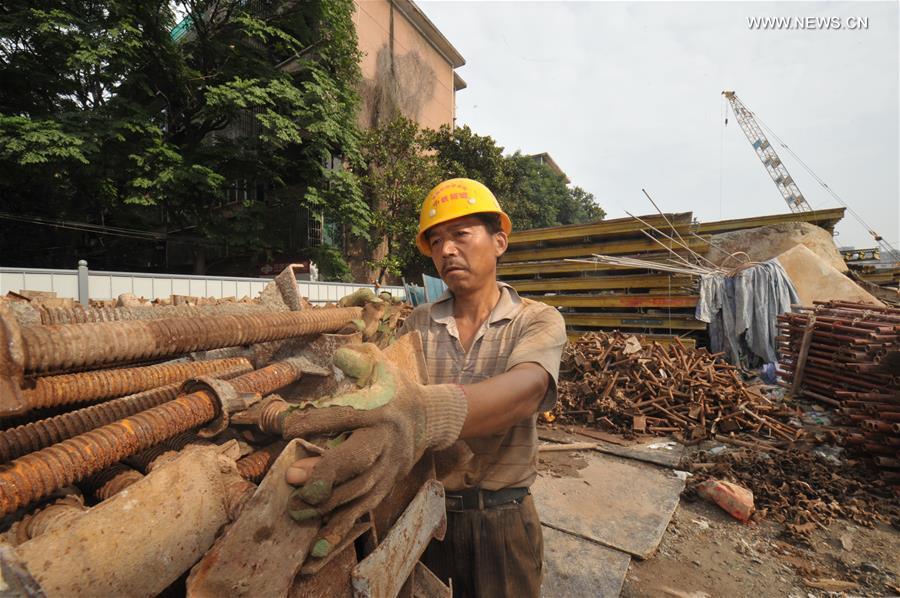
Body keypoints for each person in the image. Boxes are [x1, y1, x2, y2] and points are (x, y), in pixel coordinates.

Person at [283, 178, 567, 597]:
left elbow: (528, 389)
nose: (446, 250)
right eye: (435, 241)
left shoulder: (536, 320)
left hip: (503, 521)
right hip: (424, 515)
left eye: (460, 235)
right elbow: (388, 400)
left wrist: (425, 414)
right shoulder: (419, 323)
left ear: (499, 242)